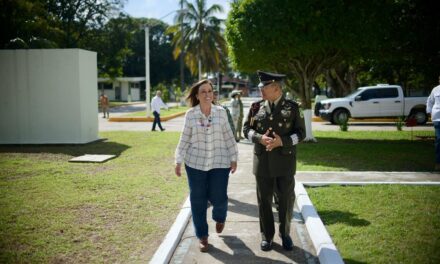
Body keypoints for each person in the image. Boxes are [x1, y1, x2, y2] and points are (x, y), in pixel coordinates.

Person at [243, 70, 305, 251]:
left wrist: (282, 142)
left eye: (265, 86)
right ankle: (267, 236)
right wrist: (259, 138)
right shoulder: (256, 107)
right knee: (264, 202)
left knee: (285, 200)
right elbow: (246, 129)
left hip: (285, 163)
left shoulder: (293, 108)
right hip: (262, 163)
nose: (260, 89)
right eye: (261, 86)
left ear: (276, 88)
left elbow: (301, 134)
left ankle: (285, 234)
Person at [175, 79, 238, 252]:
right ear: (197, 95)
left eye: (210, 91)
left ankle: (219, 217)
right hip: (195, 163)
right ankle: (202, 236)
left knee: (219, 197)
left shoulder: (221, 112)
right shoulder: (191, 114)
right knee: (198, 200)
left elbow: (228, 136)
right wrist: (178, 160)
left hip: (219, 162)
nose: (207, 94)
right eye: (203, 91)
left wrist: (234, 157)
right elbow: (184, 138)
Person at [426, 75, 440, 171]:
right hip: (438, 118)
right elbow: (430, 101)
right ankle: (438, 163)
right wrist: (429, 112)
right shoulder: (435, 90)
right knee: (439, 140)